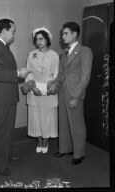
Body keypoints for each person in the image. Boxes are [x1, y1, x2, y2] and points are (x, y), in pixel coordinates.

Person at [0, 19, 29, 176]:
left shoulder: (2, 46)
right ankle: (0, 164)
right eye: (13, 31)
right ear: (4, 31)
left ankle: (6, 156)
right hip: (1, 98)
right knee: (1, 132)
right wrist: (18, 74)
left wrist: (18, 71)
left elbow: (4, 70)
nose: (14, 34)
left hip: (7, 97)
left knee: (7, 130)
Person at [47, 22, 93, 165]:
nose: (63, 36)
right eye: (63, 33)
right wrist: (55, 83)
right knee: (64, 121)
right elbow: (61, 73)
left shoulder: (85, 51)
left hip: (75, 93)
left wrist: (76, 96)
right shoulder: (64, 52)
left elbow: (85, 77)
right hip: (63, 92)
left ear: (75, 34)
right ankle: (65, 148)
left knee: (77, 123)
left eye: (66, 33)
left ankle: (79, 154)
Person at [22, 27, 59, 153]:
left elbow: (56, 73)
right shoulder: (32, 54)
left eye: (41, 39)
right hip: (35, 89)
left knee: (47, 116)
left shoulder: (54, 55)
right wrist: (33, 88)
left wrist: (51, 85)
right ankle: (39, 141)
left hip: (48, 90)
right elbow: (28, 72)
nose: (38, 42)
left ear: (47, 39)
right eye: (36, 39)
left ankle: (45, 141)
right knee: (36, 116)